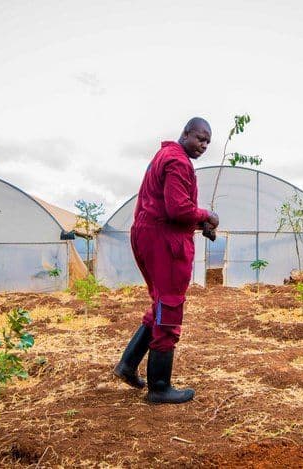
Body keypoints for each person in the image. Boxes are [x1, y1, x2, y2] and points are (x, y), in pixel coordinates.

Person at [113, 117, 219, 404]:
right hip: (164, 241)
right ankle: (159, 387)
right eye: (200, 138)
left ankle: (127, 365)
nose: (204, 145)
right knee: (169, 305)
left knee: (160, 302)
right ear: (185, 133)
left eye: (208, 141)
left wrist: (197, 224)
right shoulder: (179, 162)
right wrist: (206, 216)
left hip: (148, 235)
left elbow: (166, 206)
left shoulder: (163, 156)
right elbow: (177, 209)